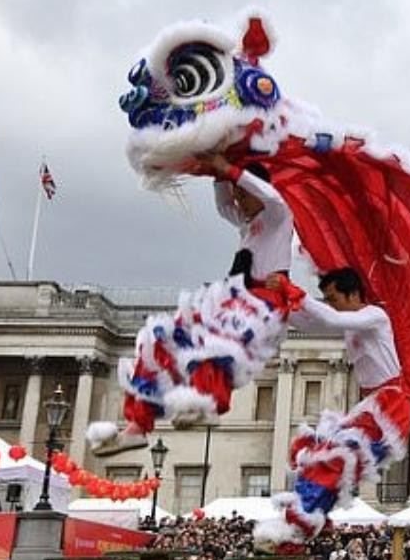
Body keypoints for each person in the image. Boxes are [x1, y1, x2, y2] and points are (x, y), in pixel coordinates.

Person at [89, 154, 301, 457]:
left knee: (221, 338)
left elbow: (266, 193)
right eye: (238, 195)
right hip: (237, 296)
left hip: (267, 299)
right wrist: (216, 170)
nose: (238, 202)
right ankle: (137, 424)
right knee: (160, 336)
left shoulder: (279, 215)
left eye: (243, 194)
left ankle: (207, 401)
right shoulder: (247, 221)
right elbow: (223, 204)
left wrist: (229, 167)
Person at [255, 267, 410, 551]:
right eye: (326, 299)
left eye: (333, 297)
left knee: (333, 461)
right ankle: (309, 523)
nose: (330, 304)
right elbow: (314, 324)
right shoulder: (351, 322)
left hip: (389, 407)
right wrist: (275, 305)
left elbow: (330, 317)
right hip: (373, 405)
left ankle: (299, 527)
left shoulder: (375, 317)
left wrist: (292, 289)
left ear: (353, 294)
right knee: (320, 457)